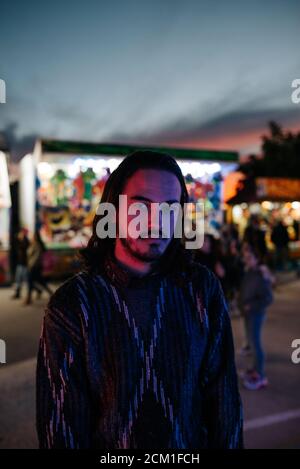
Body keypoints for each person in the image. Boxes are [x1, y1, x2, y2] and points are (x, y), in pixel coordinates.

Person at [36, 151, 243, 449]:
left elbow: (224, 404)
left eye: (170, 208)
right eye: (141, 206)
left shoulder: (201, 289)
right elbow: (61, 429)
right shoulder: (73, 304)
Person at [238, 248, 273, 390]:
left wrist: (250, 306)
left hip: (256, 314)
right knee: (252, 343)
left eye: (250, 257)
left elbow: (268, 298)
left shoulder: (260, 274)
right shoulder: (249, 272)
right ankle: (254, 369)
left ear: (257, 259)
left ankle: (261, 376)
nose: (247, 260)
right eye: (245, 257)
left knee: (256, 345)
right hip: (248, 314)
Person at [24, 231, 53, 305]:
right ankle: (51, 293)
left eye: (33, 236)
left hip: (35, 266)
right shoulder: (32, 244)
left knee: (30, 281)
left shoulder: (37, 245)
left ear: (36, 237)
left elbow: (37, 256)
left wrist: (31, 265)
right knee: (40, 281)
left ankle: (29, 299)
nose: (31, 237)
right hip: (32, 266)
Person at [11, 228, 30, 299]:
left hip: (25, 263)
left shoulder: (26, 241)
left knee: (27, 279)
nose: (19, 234)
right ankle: (17, 293)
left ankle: (37, 290)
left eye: (21, 233)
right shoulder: (19, 241)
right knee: (18, 278)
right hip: (20, 263)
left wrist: (21, 240)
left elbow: (24, 249)